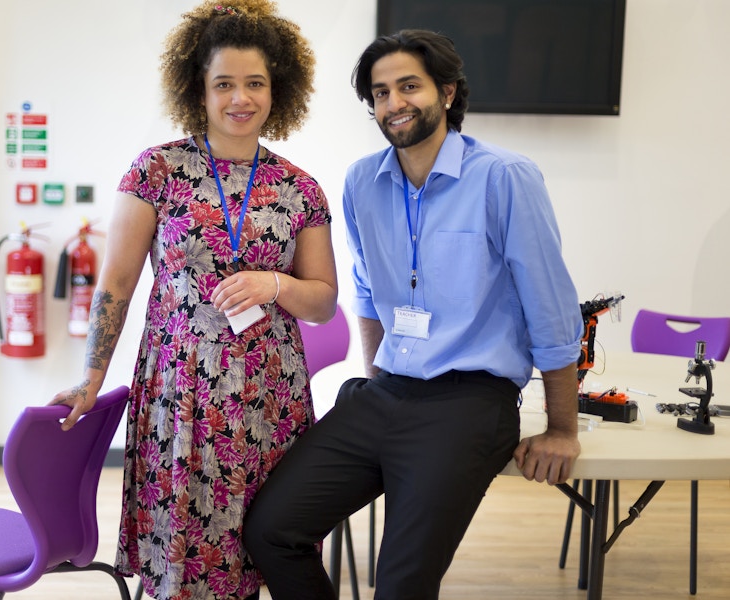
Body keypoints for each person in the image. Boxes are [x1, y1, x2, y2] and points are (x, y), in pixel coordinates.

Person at [243, 29, 583, 599]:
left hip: (469, 402)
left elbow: (549, 307)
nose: (393, 103)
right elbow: (368, 292)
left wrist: (563, 429)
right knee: (272, 531)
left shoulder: (504, 177)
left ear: (447, 92)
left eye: (409, 86)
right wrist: (376, 381)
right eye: (379, 93)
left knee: (400, 585)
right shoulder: (361, 181)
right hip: (388, 392)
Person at [49, 2, 338, 599]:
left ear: (276, 89)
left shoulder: (299, 188)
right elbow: (116, 286)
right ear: (197, 90)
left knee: (260, 549)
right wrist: (89, 377)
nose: (241, 97)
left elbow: (323, 302)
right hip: (182, 394)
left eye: (255, 83)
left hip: (269, 398)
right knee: (184, 557)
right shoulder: (156, 171)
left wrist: (275, 285)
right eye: (223, 83)